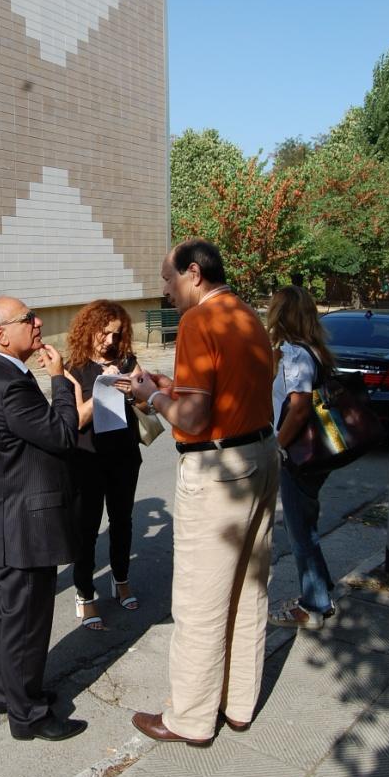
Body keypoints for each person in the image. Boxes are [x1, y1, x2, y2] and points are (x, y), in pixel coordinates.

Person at [129, 239, 279, 745]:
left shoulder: (197, 322)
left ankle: (190, 719)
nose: (165, 292)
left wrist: (150, 396)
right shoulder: (247, 315)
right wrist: (171, 385)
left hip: (218, 470)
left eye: (168, 281)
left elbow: (193, 417)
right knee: (248, 587)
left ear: (193, 274)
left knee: (199, 599)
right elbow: (222, 393)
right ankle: (238, 704)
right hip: (261, 455)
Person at [0, 296, 87, 742]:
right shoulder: (10, 385)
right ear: (3, 335)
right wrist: (61, 381)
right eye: (29, 319)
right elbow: (63, 434)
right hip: (21, 521)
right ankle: (28, 715)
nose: (39, 322)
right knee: (25, 620)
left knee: (5, 614)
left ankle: (6, 693)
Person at [65, 300, 142, 630]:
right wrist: (104, 389)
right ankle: (85, 593)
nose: (110, 341)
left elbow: (147, 407)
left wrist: (134, 391)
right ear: (88, 329)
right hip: (89, 457)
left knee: (122, 520)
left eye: (116, 334)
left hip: (124, 454)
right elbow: (75, 419)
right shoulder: (73, 368)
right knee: (87, 528)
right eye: (104, 333)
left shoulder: (128, 361)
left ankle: (121, 579)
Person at [266, 285, 337, 630]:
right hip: (314, 454)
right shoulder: (314, 349)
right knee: (306, 526)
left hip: (299, 455)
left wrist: (279, 445)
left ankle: (313, 607)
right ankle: (321, 593)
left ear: (281, 314)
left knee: (299, 533)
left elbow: (298, 408)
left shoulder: (295, 353)